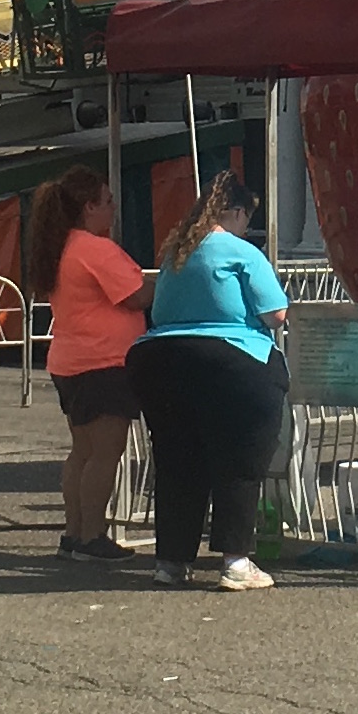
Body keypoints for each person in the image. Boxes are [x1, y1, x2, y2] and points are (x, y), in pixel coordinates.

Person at [122, 172, 289, 592]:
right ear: (234, 213)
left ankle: (171, 561)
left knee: (178, 461)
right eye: (245, 219)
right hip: (233, 360)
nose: (246, 228)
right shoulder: (242, 252)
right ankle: (235, 560)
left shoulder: (175, 251)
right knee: (239, 459)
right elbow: (276, 314)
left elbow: (159, 311)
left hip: (158, 359)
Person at [22, 165, 150, 562]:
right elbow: (135, 295)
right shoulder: (96, 249)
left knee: (81, 451)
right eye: (108, 202)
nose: (114, 210)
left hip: (70, 359)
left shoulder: (61, 245)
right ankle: (92, 535)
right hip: (104, 361)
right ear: (90, 206)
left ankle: (75, 532)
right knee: (105, 453)